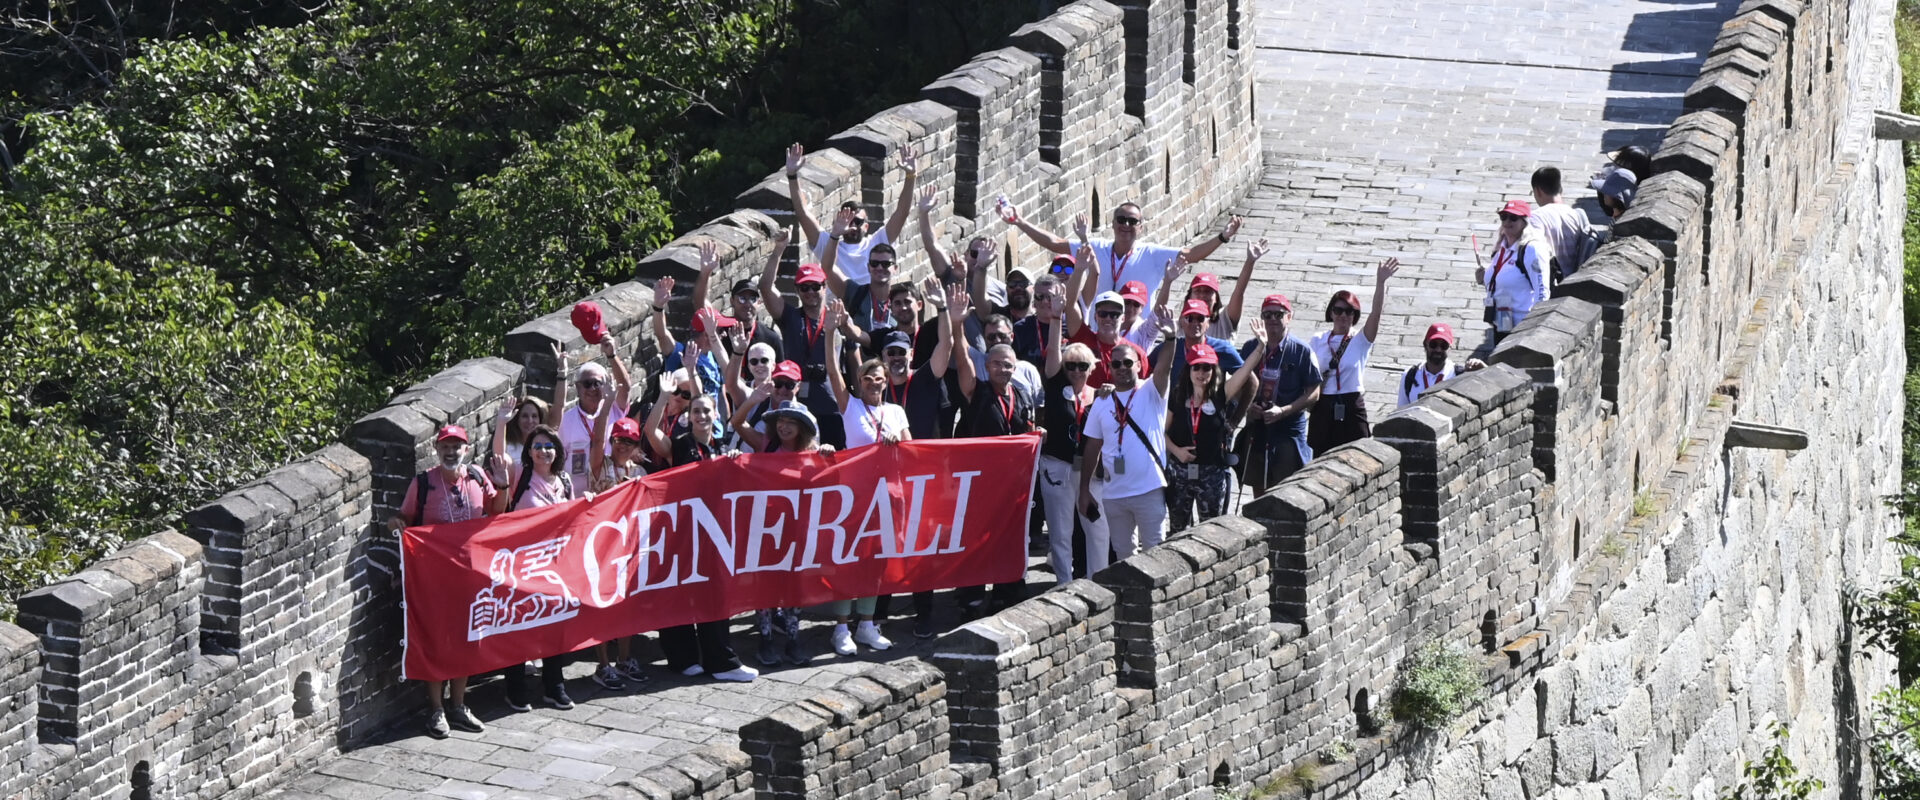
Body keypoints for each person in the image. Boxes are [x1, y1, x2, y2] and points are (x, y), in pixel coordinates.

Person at [389, 424, 496, 738]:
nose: (451, 452)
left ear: (466, 448)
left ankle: (459, 706)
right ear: (437, 450)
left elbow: (498, 512)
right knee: (436, 640)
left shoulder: (477, 477)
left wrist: (500, 484)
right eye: (445, 447)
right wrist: (395, 523)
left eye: (456, 446)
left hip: (470, 574)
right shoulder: (423, 483)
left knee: (465, 639)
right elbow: (404, 517)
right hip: (434, 577)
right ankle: (436, 710)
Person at [654, 394, 760, 683]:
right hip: (683, 532)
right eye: (696, 411)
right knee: (681, 593)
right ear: (689, 416)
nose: (701, 415)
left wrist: (735, 463)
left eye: (706, 411)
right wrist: (664, 396)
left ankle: (721, 661)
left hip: (715, 533)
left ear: (716, 415)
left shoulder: (723, 446)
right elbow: (651, 433)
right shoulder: (680, 444)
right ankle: (683, 658)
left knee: (715, 595)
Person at [821, 304, 903, 656]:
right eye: (867, 379)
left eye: (879, 379)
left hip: (886, 496)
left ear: (886, 382)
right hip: (853, 497)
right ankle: (840, 628)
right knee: (848, 559)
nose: (873, 384)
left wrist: (897, 442)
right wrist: (830, 333)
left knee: (875, 560)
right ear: (860, 383)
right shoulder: (851, 406)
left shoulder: (896, 412)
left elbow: (914, 453)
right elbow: (830, 369)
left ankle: (867, 624)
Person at [954, 290, 1043, 613]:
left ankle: (1009, 588)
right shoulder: (975, 391)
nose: (1002, 370)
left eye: (1007, 365)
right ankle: (972, 595)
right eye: (996, 364)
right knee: (977, 539)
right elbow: (962, 358)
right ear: (987, 365)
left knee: (1008, 537)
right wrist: (956, 325)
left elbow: (1024, 429)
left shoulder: (1020, 393)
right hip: (979, 481)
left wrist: (1035, 434)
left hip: (1012, 484)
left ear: (1015, 365)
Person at [730, 401, 833, 666]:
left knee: (794, 586)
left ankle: (792, 639)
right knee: (765, 585)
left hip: (797, 531)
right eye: (780, 421)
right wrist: (756, 397)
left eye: (791, 422)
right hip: (765, 529)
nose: (784, 427)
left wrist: (829, 456)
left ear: (802, 427)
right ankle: (765, 640)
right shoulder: (767, 445)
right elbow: (737, 423)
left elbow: (834, 483)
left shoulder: (813, 453)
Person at [1000, 200, 1243, 303]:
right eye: (1121, 220)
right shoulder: (1097, 247)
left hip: (1136, 333)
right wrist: (1020, 222)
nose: (1126, 225)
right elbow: (1055, 243)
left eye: (1132, 221)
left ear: (1141, 226)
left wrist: (1222, 237)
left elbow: (1191, 255)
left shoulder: (1152, 254)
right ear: (1113, 223)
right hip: (1098, 329)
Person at [497, 423, 584, 711]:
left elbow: (572, 520)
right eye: (538, 446)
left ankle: (554, 686)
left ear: (557, 451)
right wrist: (501, 422)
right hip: (522, 565)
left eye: (549, 446)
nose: (544, 451)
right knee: (519, 625)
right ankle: (515, 688)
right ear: (529, 452)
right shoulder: (521, 477)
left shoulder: (565, 481)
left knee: (554, 626)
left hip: (555, 564)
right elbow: (499, 457)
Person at [1078, 331, 1177, 561]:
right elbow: (1092, 447)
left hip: (1149, 489)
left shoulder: (1152, 391)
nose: (1122, 367)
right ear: (1109, 368)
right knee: (1123, 557)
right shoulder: (1102, 400)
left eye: (1128, 362)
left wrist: (1170, 338)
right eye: (1116, 364)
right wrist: (1084, 490)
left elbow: (1164, 368)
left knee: (1156, 554)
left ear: (1139, 366)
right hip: (1114, 494)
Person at [1036, 299, 1108, 584]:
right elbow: (1053, 355)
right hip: (1057, 466)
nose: (1076, 371)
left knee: (1097, 528)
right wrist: (1056, 318)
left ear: (1092, 368)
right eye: (1071, 366)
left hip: (1089, 470)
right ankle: (1064, 585)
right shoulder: (1056, 387)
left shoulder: (1100, 395)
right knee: (1061, 530)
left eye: (1082, 366)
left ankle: (1098, 581)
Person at [785, 142, 918, 291]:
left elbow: (902, 212)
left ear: (866, 226)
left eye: (858, 222)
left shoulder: (877, 243)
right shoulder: (828, 245)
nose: (852, 226)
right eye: (847, 220)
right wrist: (792, 176)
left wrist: (910, 176)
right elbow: (803, 213)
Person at [1165, 339, 1267, 533]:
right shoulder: (1178, 396)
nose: (1201, 373)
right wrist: (1177, 452)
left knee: (1211, 529)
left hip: (1211, 472)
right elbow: (1162, 433)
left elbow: (1245, 372)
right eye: (1197, 368)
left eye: (1207, 368)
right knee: (1177, 529)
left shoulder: (1220, 395)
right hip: (1180, 472)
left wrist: (1260, 347)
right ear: (1189, 370)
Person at [760, 227, 846, 447]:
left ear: (825, 287)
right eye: (804, 287)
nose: (810, 292)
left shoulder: (837, 316)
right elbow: (766, 287)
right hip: (794, 404)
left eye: (815, 286)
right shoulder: (790, 317)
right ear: (797, 291)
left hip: (830, 403)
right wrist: (779, 250)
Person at [585, 403, 650, 689]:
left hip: (630, 545)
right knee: (602, 604)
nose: (623, 445)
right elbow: (596, 440)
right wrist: (608, 401)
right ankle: (602, 663)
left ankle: (624, 658)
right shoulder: (601, 464)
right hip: (601, 544)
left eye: (629, 441)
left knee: (628, 605)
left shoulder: (641, 472)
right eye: (619, 440)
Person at [1307, 259, 1397, 453]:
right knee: (1320, 457)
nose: (1343, 315)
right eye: (1338, 310)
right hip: (1324, 404)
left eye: (1349, 311)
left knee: (1357, 455)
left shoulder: (1360, 340)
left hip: (1351, 402)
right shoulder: (1317, 340)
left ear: (1354, 315)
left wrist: (1380, 282)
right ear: (1331, 313)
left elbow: (1376, 314)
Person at [1236, 294, 1322, 494]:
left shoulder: (1302, 350)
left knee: (1287, 490)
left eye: (1278, 314)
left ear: (1289, 317)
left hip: (1288, 429)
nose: (1273, 319)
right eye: (1267, 315)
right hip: (1259, 425)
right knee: (1258, 486)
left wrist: (1283, 411)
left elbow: (1314, 393)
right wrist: (1249, 407)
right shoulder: (1250, 347)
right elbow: (1236, 384)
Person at [559, 338, 633, 495]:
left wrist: (611, 355)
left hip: (610, 491)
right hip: (577, 497)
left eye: (597, 383)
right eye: (587, 383)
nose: (592, 388)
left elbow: (625, 387)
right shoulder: (566, 420)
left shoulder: (614, 408)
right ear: (578, 387)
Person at [1476, 201, 1550, 339]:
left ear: (1525, 222)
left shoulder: (1532, 250)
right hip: (1502, 322)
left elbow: (1542, 293)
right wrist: (1485, 278)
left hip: (1520, 328)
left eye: (1513, 218)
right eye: (1504, 217)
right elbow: (1504, 280)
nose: (1507, 221)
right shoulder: (1503, 246)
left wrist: (1533, 329)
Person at [1182, 238, 1266, 341]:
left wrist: (1250, 261)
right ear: (1189, 296)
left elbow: (1239, 292)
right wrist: (1167, 282)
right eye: (1198, 291)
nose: (1202, 295)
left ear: (1216, 298)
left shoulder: (1224, 319)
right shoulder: (1182, 323)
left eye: (1208, 291)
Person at [1151, 297, 1245, 384]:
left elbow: (1248, 378)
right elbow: (1143, 370)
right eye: (1190, 318)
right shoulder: (1169, 347)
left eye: (1200, 318)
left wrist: (1235, 401)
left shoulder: (1223, 348)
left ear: (1208, 323)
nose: (1195, 323)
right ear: (1181, 322)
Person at [1395, 324, 1488, 408]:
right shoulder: (1410, 375)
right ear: (1425, 344)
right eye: (1433, 344)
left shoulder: (1460, 376)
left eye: (1444, 346)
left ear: (1450, 348)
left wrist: (1485, 370)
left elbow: (1487, 396)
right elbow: (1400, 411)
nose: (1438, 350)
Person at [1527, 167, 1591, 279]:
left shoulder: (1536, 217)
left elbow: (1534, 253)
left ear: (1538, 191)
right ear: (1560, 189)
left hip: (1549, 284)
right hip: (1573, 281)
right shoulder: (1577, 215)